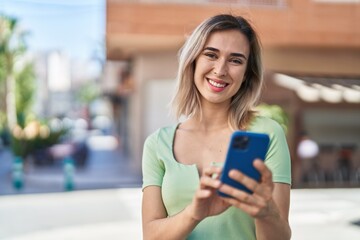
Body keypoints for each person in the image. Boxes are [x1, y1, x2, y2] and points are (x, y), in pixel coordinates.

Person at [142, 14, 292, 240]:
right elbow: (150, 236)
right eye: (211, 55)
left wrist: (266, 212)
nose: (220, 70)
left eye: (236, 60)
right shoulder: (157, 144)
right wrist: (194, 213)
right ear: (193, 61)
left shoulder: (267, 133)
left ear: (246, 74)